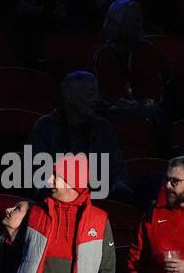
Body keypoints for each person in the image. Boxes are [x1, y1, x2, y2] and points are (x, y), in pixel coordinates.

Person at [27, 72, 129, 200]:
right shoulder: (45, 126)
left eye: (96, 94)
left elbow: (117, 166)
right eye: (90, 94)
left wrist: (119, 185)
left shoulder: (102, 128)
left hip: (97, 200)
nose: (96, 99)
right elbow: (37, 171)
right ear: (70, 97)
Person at [91, 0, 161, 108]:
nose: (137, 24)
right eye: (130, 20)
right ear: (117, 23)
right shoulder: (103, 54)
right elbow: (107, 95)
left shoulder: (147, 50)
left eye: (138, 19)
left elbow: (155, 89)